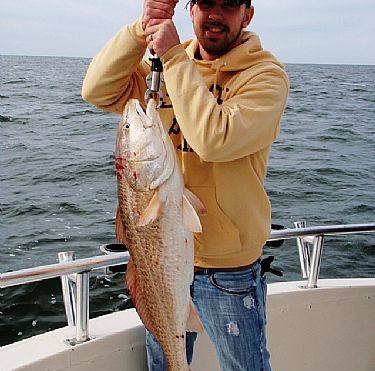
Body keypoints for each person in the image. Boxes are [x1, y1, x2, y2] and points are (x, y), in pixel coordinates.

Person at [82, 0, 289, 369]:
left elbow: (215, 139)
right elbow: (96, 91)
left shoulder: (265, 77)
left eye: (228, 6)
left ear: (247, 14)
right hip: (160, 264)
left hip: (228, 270)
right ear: (190, 9)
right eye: (206, 3)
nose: (215, 14)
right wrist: (141, 28)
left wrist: (175, 58)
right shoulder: (162, 66)